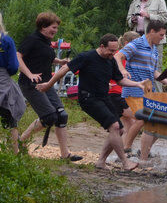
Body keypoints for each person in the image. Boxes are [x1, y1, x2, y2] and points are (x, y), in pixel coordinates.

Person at [39, 34, 145, 170]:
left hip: (104, 98)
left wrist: (137, 84)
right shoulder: (86, 57)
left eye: (115, 50)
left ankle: (101, 161)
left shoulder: (111, 60)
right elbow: (65, 69)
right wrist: (48, 84)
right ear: (102, 46)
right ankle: (125, 162)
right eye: (111, 51)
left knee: (119, 130)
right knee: (115, 127)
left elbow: (120, 80)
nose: (113, 54)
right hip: (88, 98)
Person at [16, 12, 81, 161]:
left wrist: (61, 62)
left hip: (46, 83)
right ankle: (22, 141)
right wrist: (29, 74)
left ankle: (65, 155)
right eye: (53, 27)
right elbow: (17, 56)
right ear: (43, 26)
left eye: (57, 28)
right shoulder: (32, 40)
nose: (55, 31)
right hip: (31, 84)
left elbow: (46, 58)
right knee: (49, 116)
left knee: (62, 116)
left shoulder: (46, 41)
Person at [115, 20, 167, 164]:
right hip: (133, 89)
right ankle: (125, 150)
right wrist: (123, 70)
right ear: (152, 32)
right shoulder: (136, 44)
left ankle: (143, 152)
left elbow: (154, 72)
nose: (163, 38)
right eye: (161, 35)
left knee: (158, 123)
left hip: (149, 92)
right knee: (143, 118)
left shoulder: (154, 49)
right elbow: (118, 56)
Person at [0, 9, 27, 150]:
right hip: (3, 85)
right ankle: (14, 155)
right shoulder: (6, 40)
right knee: (10, 123)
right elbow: (14, 67)